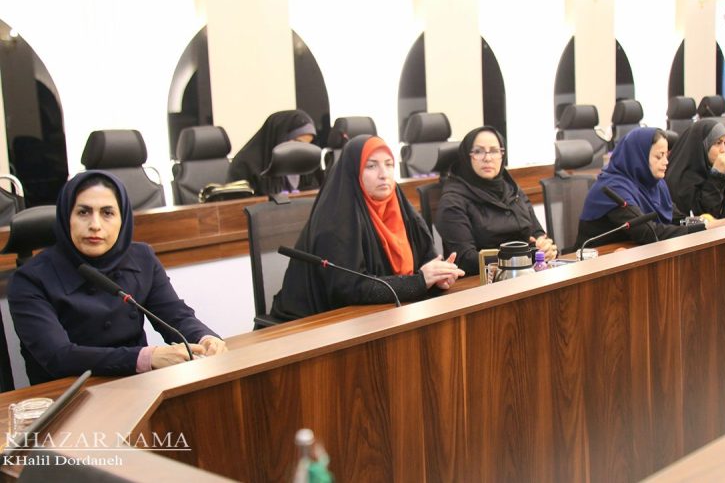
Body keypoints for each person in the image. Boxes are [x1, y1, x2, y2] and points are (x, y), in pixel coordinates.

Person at [8, 171, 227, 384]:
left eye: (107, 213)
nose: (95, 225)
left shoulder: (142, 258)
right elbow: (59, 357)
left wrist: (205, 338)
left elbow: (175, 316)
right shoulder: (29, 279)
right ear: (67, 217)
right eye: (83, 212)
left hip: (135, 384)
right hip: (69, 392)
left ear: (123, 218)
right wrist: (146, 357)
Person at [272, 135, 465, 320]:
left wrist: (439, 277)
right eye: (371, 166)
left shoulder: (401, 207)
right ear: (354, 172)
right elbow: (350, 289)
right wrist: (419, 282)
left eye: (389, 164)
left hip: (388, 314)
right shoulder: (336, 220)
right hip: (318, 323)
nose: (384, 174)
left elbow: (427, 262)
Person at [576, 127, 725, 249]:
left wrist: (706, 222)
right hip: (598, 264)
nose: (666, 162)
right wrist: (705, 227)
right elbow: (649, 232)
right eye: (659, 156)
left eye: (666, 155)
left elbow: (676, 219)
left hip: (633, 257)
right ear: (638, 157)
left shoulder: (655, 184)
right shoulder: (612, 188)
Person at [435, 127, 557, 276]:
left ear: (502, 155)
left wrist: (545, 248)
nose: (487, 158)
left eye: (494, 151)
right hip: (481, 282)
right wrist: (526, 256)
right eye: (478, 152)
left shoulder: (512, 189)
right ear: (467, 156)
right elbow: (465, 259)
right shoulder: (453, 201)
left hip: (524, 275)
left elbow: (537, 233)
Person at [227, 109, 322, 196]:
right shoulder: (244, 165)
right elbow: (238, 204)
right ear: (280, 137)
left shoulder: (303, 162)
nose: (303, 149)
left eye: (307, 145)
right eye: (298, 142)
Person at [664, 119, 725, 219]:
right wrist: (717, 175)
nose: (723, 150)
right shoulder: (681, 179)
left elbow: (717, 212)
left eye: (724, 143)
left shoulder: (709, 169)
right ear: (702, 145)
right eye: (718, 143)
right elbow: (705, 217)